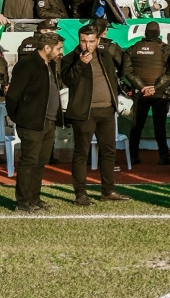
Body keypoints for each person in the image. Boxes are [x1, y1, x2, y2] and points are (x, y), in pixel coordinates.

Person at [60, 21, 131, 205]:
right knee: (81, 153)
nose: (87, 45)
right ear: (79, 40)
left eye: (91, 41)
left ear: (98, 40)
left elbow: (114, 77)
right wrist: (80, 64)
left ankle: (108, 191)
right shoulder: (70, 58)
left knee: (109, 152)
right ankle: (80, 194)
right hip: (84, 113)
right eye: (84, 41)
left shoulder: (105, 55)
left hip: (107, 110)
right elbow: (67, 80)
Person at [6, 29, 63, 211]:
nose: (60, 52)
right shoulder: (27, 64)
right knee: (29, 162)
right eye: (58, 48)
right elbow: (13, 95)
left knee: (40, 162)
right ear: (47, 48)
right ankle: (22, 202)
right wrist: (18, 117)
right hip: (31, 123)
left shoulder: (50, 64)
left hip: (48, 122)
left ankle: (34, 199)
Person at [120, 21, 170, 164]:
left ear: (145, 33)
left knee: (136, 126)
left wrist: (142, 87)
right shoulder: (166, 49)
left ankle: (133, 156)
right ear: (158, 33)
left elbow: (126, 72)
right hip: (160, 94)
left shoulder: (133, 48)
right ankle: (164, 155)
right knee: (160, 126)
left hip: (139, 93)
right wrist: (155, 87)